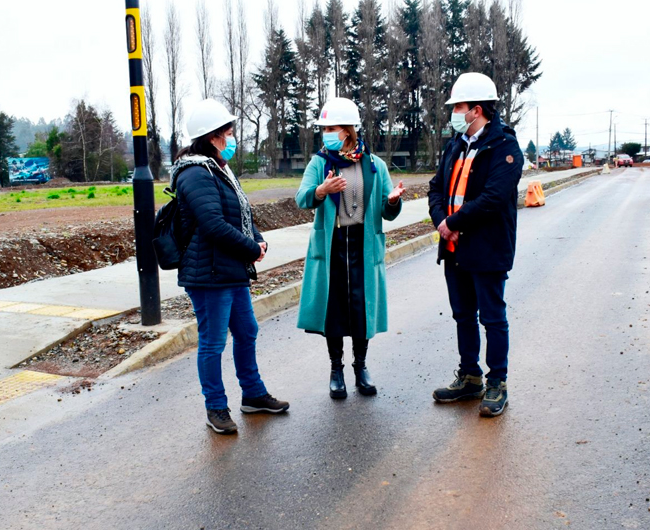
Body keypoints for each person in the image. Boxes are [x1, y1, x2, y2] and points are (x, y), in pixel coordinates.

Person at [171, 98, 289, 435]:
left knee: (247, 330)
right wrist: (251, 249)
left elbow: (240, 215)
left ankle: (253, 394)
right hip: (208, 274)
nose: (233, 137)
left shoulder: (219, 169)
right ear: (213, 136)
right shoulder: (195, 173)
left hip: (230, 269)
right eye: (229, 132)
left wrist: (258, 240)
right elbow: (213, 224)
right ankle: (216, 407)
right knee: (213, 343)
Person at [295, 97, 406, 399]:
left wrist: (392, 201)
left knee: (360, 307)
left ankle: (361, 366)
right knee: (333, 308)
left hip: (363, 244)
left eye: (331, 128)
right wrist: (321, 190)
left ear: (347, 130)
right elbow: (302, 197)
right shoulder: (320, 163)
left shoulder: (374, 165)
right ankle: (336, 370)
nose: (326, 134)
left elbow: (386, 209)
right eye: (324, 129)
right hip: (332, 245)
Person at [428, 73, 524, 417]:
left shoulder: (505, 147)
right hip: (454, 247)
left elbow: (493, 198)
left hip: (487, 247)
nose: (454, 113)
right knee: (463, 315)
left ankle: (497, 383)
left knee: (492, 317)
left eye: (458, 107)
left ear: (477, 110)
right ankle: (470, 376)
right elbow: (436, 187)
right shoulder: (456, 144)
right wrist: (442, 221)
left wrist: (453, 223)